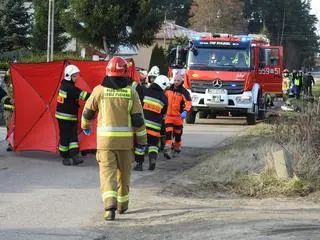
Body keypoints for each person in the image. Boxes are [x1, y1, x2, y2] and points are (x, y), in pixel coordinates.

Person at [81, 56, 147, 221]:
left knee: (107, 174)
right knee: (124, 174)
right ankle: (122, 206)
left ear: (108, 71)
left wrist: (85, 126)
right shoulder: (131, 92)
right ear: (125, 72)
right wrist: (142, 143)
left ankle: (109, 207)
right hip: (125, 144)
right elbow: (138, 120)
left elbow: (88, 112)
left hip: (105, 143)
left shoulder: (99, 90)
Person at [55, 64, 90, 166]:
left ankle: (74, 156)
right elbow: (82, 95)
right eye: (74, 76)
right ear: (69, 76)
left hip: (70, 116)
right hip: (64, 117)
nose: (76, 78)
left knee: (73, 137)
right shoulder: (68, 87)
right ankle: (65, 157)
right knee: (65, 137)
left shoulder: (66, 85)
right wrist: (95, 95)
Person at [133, 75, 170, 171]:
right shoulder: (164, 98)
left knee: (140, 145)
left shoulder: (144, 91)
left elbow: (134, 86)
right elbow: (163, 114)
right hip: (155, 127)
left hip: (143, 125)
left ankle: (139, 165)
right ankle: (152, 160)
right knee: (153, 145)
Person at [164, 74, 192, 159]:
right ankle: (167, 148)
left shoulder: (184, 92)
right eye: (175, 80)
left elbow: (189, 102)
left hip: (178, 117)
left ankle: (177, 148)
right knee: (168, 133)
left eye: (178, 81)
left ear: (181, 82)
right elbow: (163, 99)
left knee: (178, 134)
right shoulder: (168, 90)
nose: (176, 82)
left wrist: (185, 111)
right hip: (168, 116)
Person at [2, 70, 14, 151]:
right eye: (8, 78)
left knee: (16, 127)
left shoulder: (17, 84)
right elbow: (2, 97)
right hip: (8, 110)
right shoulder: (4, 86)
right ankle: (10, 144)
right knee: (9, 126)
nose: (9, 79)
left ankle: (15, 143)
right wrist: (8, 99)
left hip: (17, 110)